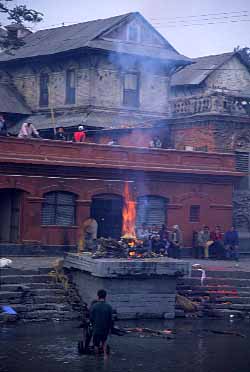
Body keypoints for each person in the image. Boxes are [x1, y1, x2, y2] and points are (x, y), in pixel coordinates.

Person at [90, 289, 113, 358]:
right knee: (104, 343)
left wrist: (93, 325)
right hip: (105, 329)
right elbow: (110, 319)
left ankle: (96, 359)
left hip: (96, 329)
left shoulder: (94, 306)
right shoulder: (109, 306)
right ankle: (105, 357)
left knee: (96, 345)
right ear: (105, 296)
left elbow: (91, 318)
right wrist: (109, 329)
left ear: (98, 296)